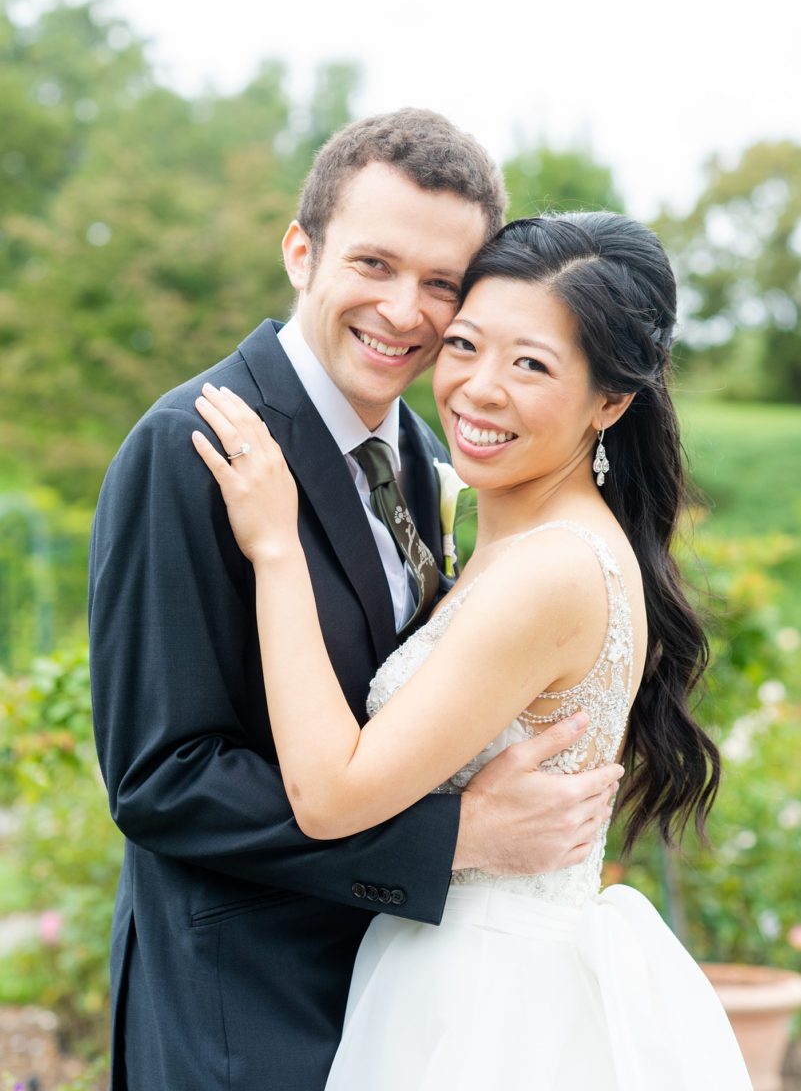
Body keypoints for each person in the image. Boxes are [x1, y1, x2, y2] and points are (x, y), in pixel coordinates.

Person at [88, 111, 623, 1090]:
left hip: (396, 1000)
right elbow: (161, 776)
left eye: (440, 285)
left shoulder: (425, 458)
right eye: (373, 264)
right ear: (302, 251)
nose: (404, 311)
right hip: (241, 1013)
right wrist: (452, 840)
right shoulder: (193, 449)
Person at [193, 211, 754, 1090]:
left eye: (530, 364)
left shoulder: (552, 572)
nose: (476, 389)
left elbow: (331, 795)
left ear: (611, 402)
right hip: (451, 966)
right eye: (463, 345)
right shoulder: (518, 532)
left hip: (488, 1001)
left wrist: (275, 548)